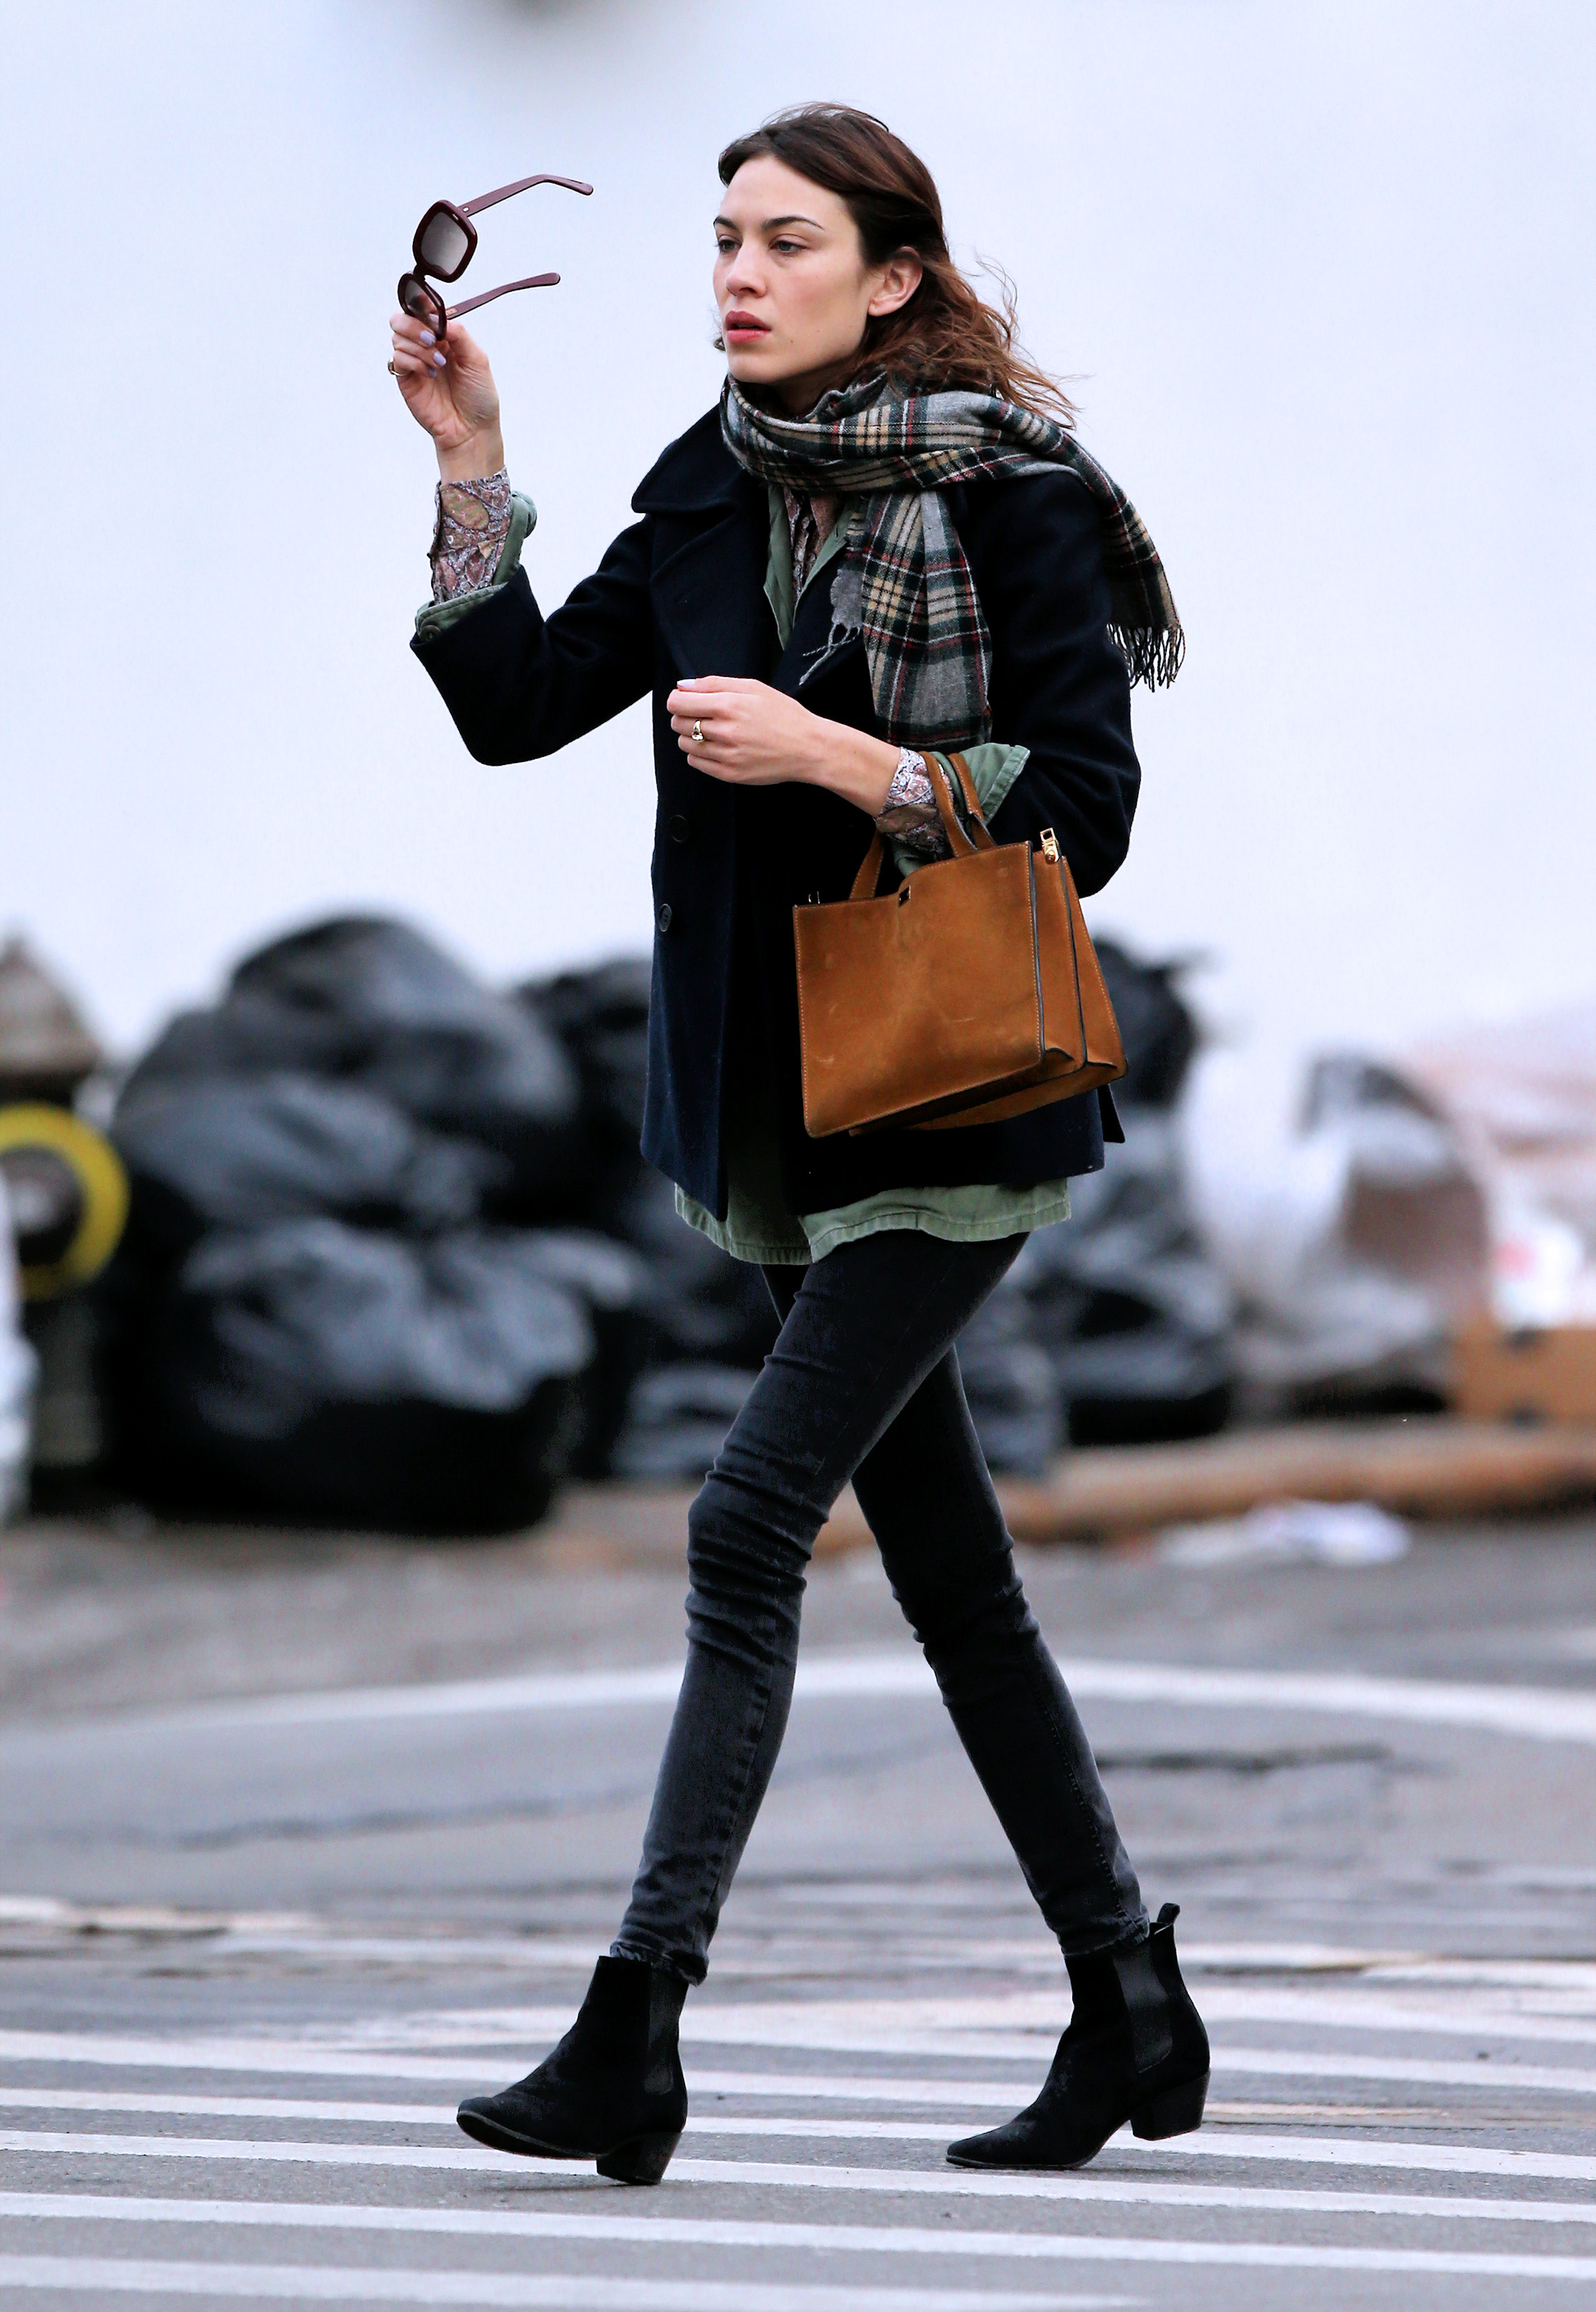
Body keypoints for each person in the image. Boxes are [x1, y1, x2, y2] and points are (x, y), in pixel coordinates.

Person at [388, 102, 1208, 2185]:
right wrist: (474, 472)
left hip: (958, 1092)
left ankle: (632, 2030)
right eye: (725, 240)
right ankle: (1128, 1999)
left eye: (787, 242)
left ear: (896, 278)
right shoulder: (707, 477)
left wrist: (843, 756)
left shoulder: (1008, 499)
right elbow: (515, 706)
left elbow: (1086, 815)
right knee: (952, 1576)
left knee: (746, 1522)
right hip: (773, 1105)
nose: (739, 275)